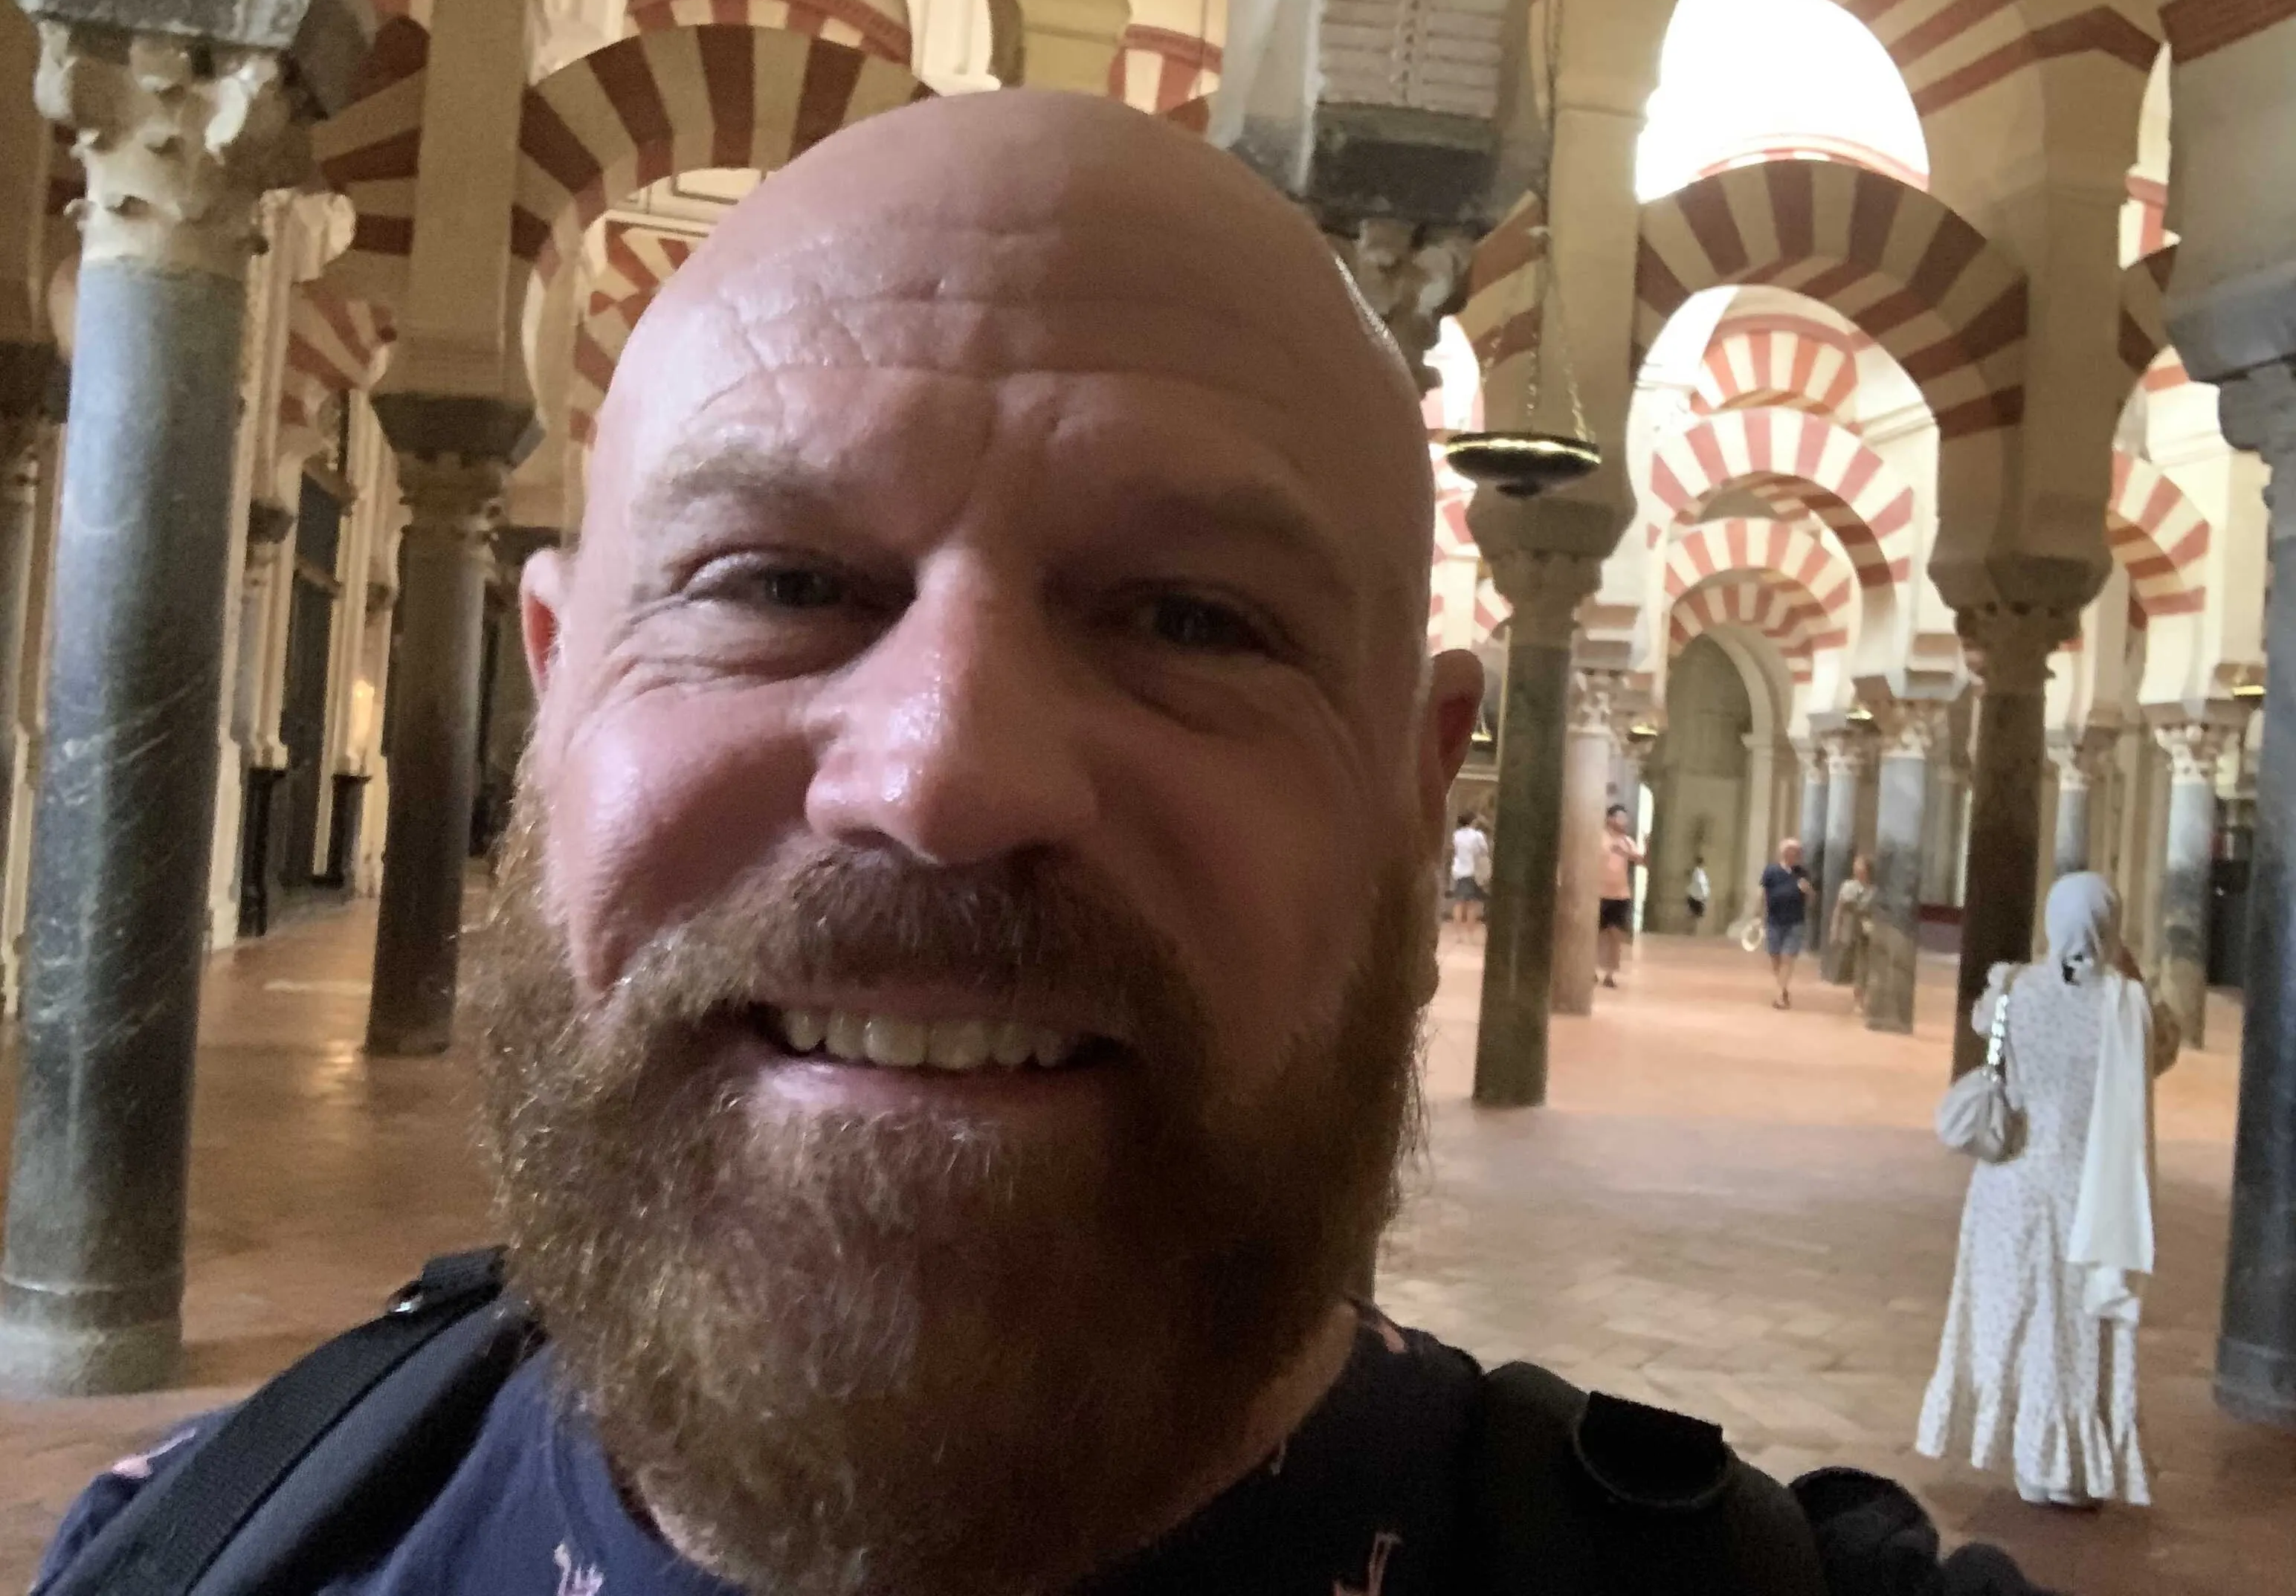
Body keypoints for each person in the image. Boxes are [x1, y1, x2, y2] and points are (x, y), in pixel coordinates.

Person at [36, 92, 2051, 1596]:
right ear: (554, 700)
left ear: (1413, 780)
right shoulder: (202, 1547)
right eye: (778, 580)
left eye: (1192, 616)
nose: (944, 772)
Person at [1918, 873, 2179, 1510]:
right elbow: (2163, 1052)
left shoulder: (2012, 987)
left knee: (2021, 1319)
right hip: (2092, 1189)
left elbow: (1985, 1028)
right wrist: (2126, 971)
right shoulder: (2130, 1005)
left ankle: (2032, 1458)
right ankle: (2071, 1466)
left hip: (2013, 1183)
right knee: (2081, 1323)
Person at [1759, 837, 1817, 1010]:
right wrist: (1757, 914)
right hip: (1774, 920)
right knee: (1775, 958)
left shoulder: (1803, 873)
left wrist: (1808, 891)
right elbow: (1762, 891)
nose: (1794, 855)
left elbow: (1813, 898)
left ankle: (1779, 995)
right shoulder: (1771, 871)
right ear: (1784, 853)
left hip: (1795, 921)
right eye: (1791, 852)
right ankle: (1783, 989)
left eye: (1797, 853)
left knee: (1787, 958)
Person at [1596, 804, 1642, 989]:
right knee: (1596, 934)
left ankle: (1610, 973)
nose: (1624, 821)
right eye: (1620, 817)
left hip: (1620, 894)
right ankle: (1591, 970)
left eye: (1626, 818)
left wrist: (1630, 851)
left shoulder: (1627, 841)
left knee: (1616, 935)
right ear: (1610, 819)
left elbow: (1639, 859)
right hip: (1599, 892)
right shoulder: (1599, 838)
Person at [1828, 853, 1875, 1007]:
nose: (1857, 868)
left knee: (1865, 966)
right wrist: (1835, 929)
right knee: (1854, 966)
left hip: (1869, 931)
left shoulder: (1875, 890)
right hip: (1851, 929)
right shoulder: (1848, 886)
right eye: (1856, 865)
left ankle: (1864, 998)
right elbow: (1839, 909)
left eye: (1860, 865)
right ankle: (1858, 999)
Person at [1448, 811, 1490, 934]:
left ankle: (1457, 933)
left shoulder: (1456, 835)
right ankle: (1469, 932)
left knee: (1459, 902)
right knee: (1472, 903)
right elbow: (1484, 851)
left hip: (1459, 870)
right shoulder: (1478, 836)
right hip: (1473, 871)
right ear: (1473, 821)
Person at [1686, 856, 1711, 929]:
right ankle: (1692, 930)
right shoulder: (1698, 873)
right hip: (1696, 896)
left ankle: (1692, 929)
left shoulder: (1700, 872)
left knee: (1695, 914)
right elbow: (1701, 884)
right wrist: (1705, 895)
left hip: (1696, 896)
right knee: (1695, 914)